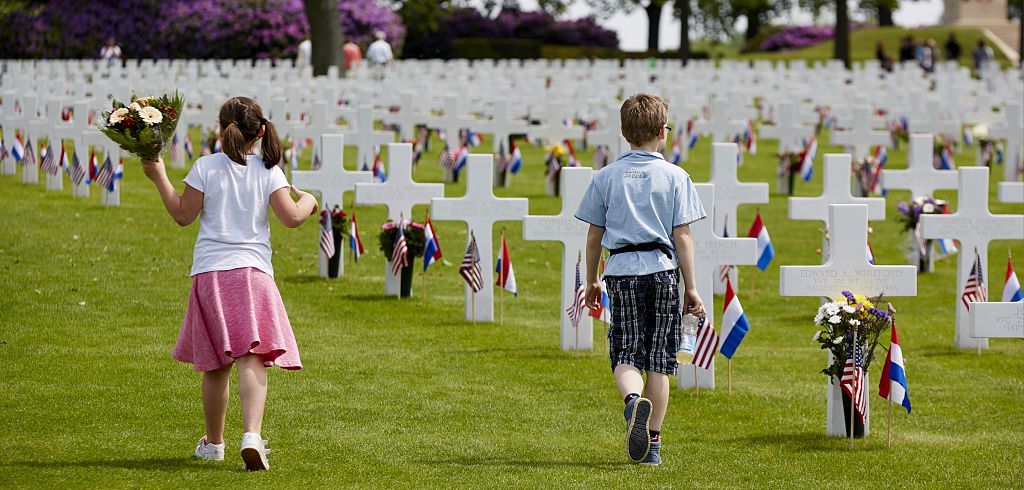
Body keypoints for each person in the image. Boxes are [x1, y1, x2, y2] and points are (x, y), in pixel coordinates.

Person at [140, 97, 318, 471]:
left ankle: (215, 443)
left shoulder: (206, 167)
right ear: (262, 131)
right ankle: (251, 435)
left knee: (216, 364)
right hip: (253, 273)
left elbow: (183, 215)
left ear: (219, 130)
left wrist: (159, 176)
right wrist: (311, 203)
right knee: (251, 356)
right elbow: (290, 218)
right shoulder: (270, 171)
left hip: (211, 274)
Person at [574, 93, 706, 467]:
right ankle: (654, 447)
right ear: (662, 132)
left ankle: (633, 402)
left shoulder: (606, 177)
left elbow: (594, 235)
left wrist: (593, 280)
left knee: (625, 352)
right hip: (663, 271)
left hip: (621, 272)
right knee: (660, 361)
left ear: (623, 131)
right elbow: (683, 235)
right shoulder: (676, 176)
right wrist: (692, 287)